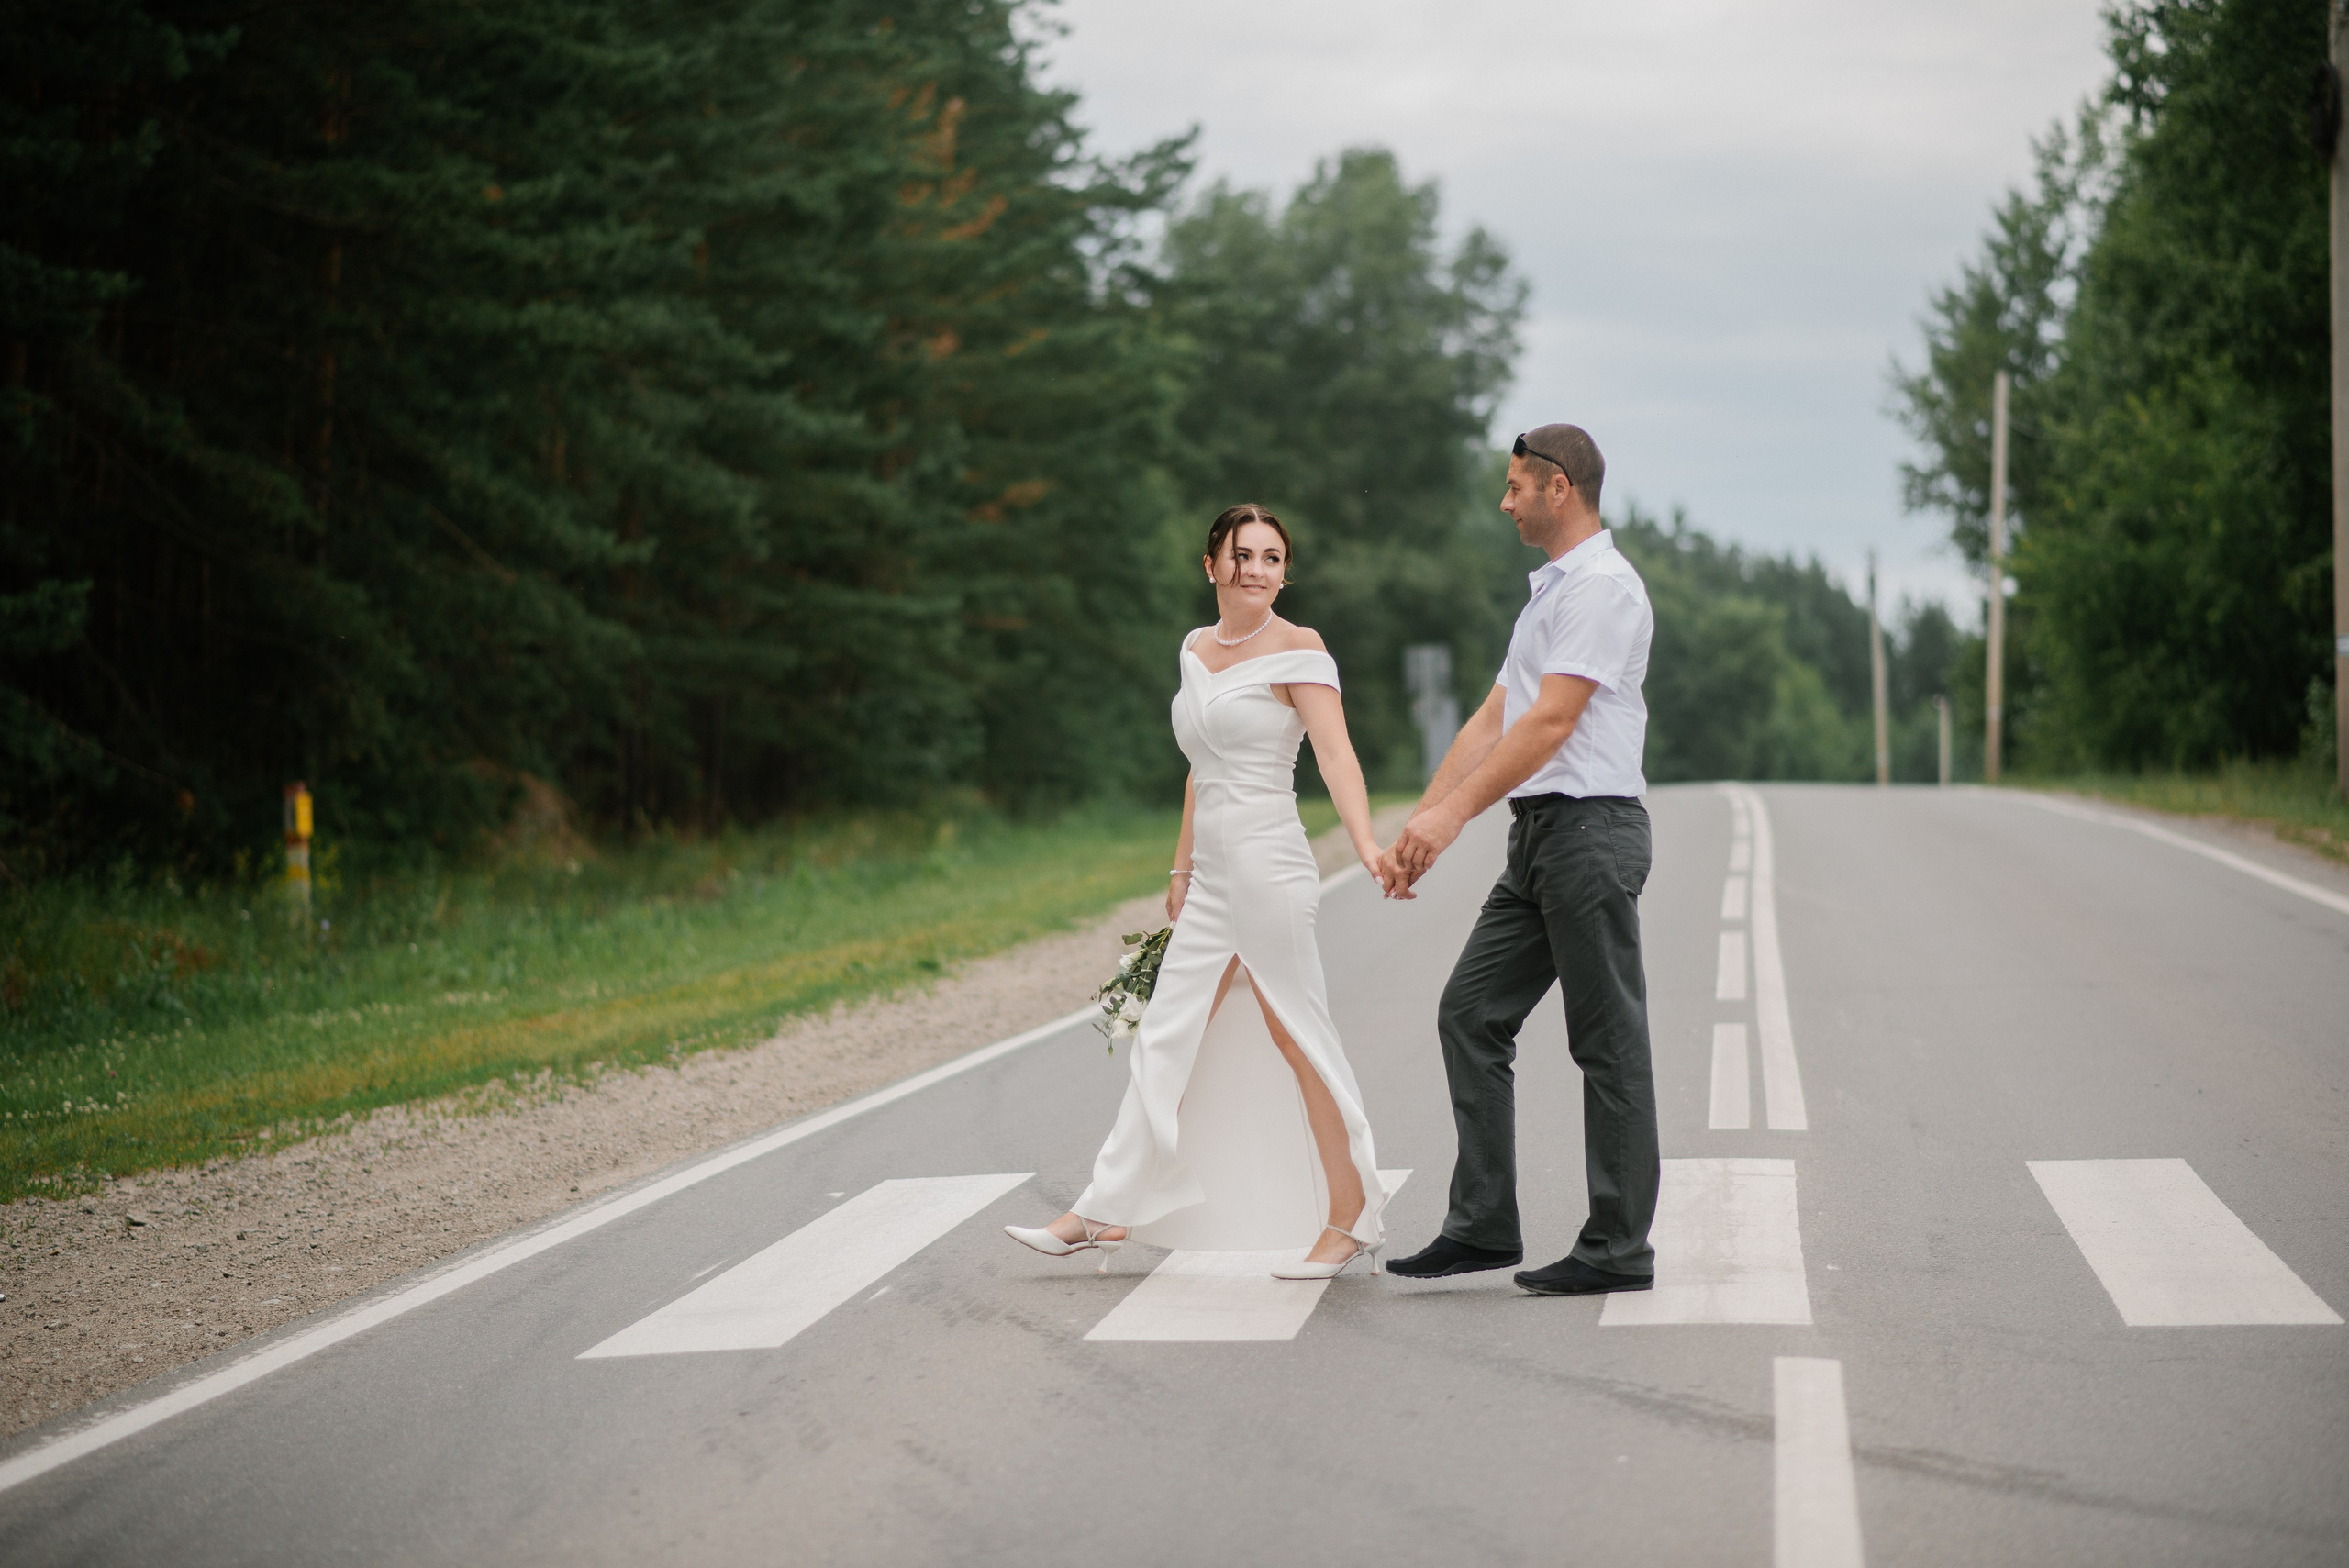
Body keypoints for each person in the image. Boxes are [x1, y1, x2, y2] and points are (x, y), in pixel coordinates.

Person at [1005, 505, 1396, 1279]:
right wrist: (1180, 868)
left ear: (1286, 571)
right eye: (1241, 554)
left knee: (1298, 1036)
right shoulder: (1195, 649)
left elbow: (1335, 752)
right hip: (1212, 878)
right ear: (1210, 564)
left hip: (1271, 866)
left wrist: (1366, 846)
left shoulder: (1300, 649)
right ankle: (1104, 1210)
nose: (1255, 568)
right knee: (1165, 1032)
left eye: (1272, 557)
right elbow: (1201, 763)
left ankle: (1352, 1216)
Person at [1378, 424, 1661, 1296]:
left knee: (1606, 1041)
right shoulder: (1548, 596)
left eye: (1514, 488)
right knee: (1471, 1011)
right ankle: (1483, 1224)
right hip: (1541, 837)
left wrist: (1457, 816)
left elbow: (1550, 723)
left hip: (1591, 831)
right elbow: (1495, 716)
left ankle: (1618, 1247)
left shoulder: (1604, 589)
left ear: (1559, 487)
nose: (1504, 503)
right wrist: (1422, 823)